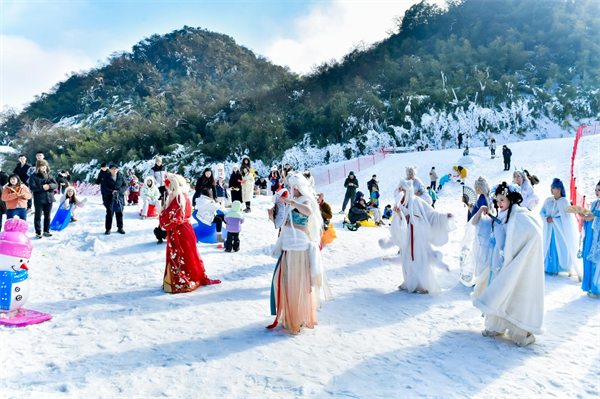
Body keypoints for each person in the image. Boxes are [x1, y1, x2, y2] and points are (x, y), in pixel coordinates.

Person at [470, 182, 544, 347]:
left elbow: (535, 233)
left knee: (513, 293)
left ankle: (522, 334)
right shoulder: (499, 216)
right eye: (497, 200)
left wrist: (518, 249)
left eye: (502, 199)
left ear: (511, 199)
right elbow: (477, 226)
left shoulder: (520, 215)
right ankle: (496, 326)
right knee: (498, 291)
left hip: (513, 263)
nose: (499, 203)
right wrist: (483, 212)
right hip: (497, 261)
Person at [267, 173, 332, 334]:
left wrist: (292, 202)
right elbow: (284, 222)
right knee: (285, 282)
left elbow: (309, 211)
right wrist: (272, 217)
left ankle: (298, 317)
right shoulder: (292, 201)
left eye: (293, 187)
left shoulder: (304, 200)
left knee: (297, 283)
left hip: (299, 245)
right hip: (288, 244)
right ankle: (290, 315)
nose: (291, 189)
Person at [380, 179, 454, 294]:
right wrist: (399, 214)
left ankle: (421, 284)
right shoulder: (399, 203)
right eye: (399, 188)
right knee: (407, 259)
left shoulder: (417, 201)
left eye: (402, 188)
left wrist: (443, 217)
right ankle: (409, 282)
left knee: (419, 258)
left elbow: (430, 213)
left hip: (419, 235)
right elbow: (398, 221)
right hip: (406, 235)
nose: (400, 190)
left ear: (407, 190)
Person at [159, 174, 221, 293]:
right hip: (184, 229)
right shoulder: (182, 196)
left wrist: (163, 214)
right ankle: (188, 277)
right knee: (186, 254)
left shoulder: (178, 198)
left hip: (180, 230)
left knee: (181, 255)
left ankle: (181, 280)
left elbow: (175, 217)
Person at [540, 178, 580, 278]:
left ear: (559, 189)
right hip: (549, 230)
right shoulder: (548, 200)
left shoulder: (564, 202)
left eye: (554, 188)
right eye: (551, 187)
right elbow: (542, 212)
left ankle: (564, 267)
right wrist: (546, 218)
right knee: (550, 246)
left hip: (560, 230)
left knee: (561, 246)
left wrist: (554, 220)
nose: (551, 190)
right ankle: (551, 267)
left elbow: (566, 217)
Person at [460, 177, 493, 286]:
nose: (476, 189)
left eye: (477, 187)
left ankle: (480, 277)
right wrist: (471, 209)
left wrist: (473, 212)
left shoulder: (482, 199)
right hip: (483, 229)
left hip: (480, 230)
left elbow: (480, 217)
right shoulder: (485, 198)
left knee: (479, 252)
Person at [28, 160, 57, 239]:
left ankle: (46, 231)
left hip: (49, 198)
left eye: (45, 166)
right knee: (38, 216)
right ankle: (38, 232)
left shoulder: (49, 176)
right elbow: (32, 187)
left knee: (47, 216)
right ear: (38, 167)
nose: (44, 167)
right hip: (39, 199)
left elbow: (56, 185)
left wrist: (49, 186)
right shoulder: (33, 176)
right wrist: (42, 187)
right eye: (42, 166)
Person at [581, 181, 600, 297]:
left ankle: (597, 287)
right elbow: (589, 216)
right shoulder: (594, 203)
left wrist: (594, 217)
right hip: (591, 236)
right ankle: (591, 286)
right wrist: (586, 217)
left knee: (598, 262)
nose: (597, 192)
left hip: (598, 239)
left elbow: (595, 217)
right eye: (596, 190)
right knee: (589, 259)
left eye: (599, 190)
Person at [100, 164, 127, 235]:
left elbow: (125, 185)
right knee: (109, 213)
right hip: (109, 198)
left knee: (119, 213)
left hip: (119, 197)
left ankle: (120, 227)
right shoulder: (106, 177)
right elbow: (103, 188)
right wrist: (111, 191)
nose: (114, 170)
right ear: (109, 170)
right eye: (112, 169)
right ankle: (108, 228)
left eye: (115, 169)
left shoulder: (121, 176)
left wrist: (119, 191)